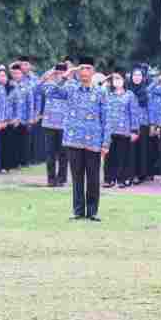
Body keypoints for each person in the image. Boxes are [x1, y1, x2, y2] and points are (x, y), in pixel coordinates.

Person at [41, 57, 108, 221]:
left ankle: (92, 212)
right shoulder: (71, 88)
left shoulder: (100, 92)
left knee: (93, 177)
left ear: (93, 72)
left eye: (88, 69)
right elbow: (50, 92)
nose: (84, 72)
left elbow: (106, 119)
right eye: (82, 69)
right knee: (77, 177)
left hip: (93, 141)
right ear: (78, 72)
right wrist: (65, 76)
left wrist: (105, 143)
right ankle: (78, 211)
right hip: (74, 139)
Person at [103, 70, 139, 188]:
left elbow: (134, 113)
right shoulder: (108, 94)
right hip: (110, 130)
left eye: (118, 78)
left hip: (124, 131)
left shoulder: (129, 95)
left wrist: (134, 130)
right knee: (109, 156)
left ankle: (122, 179)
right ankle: (109, 179)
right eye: (114, 79)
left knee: (122, 156)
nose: (116, 81)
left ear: (124, 80)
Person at [38, 63, 70, 186]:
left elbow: (62, 92)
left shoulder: (71, 85)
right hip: (49, 123)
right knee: (50, 153)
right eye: (57, 72)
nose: (59, 75)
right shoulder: (48, 84)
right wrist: (48, 75)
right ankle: (51, 179)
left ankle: (61, 179)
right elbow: (37, 89)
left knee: (63, 153)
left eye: (62, 72)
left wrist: (63, 79)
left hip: (64, 123)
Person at [127, 65, 151, 184]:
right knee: (131, 150)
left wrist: (152, 124)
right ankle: (131, 174)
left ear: (143, 77)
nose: (137, 77)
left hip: (143, 124)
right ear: (131, 77)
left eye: (139, 75)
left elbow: (150, 108)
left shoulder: (146, 91)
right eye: (135, 75)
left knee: (142, 150)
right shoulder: (127, 91)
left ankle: (141, 174)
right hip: (130, 124)